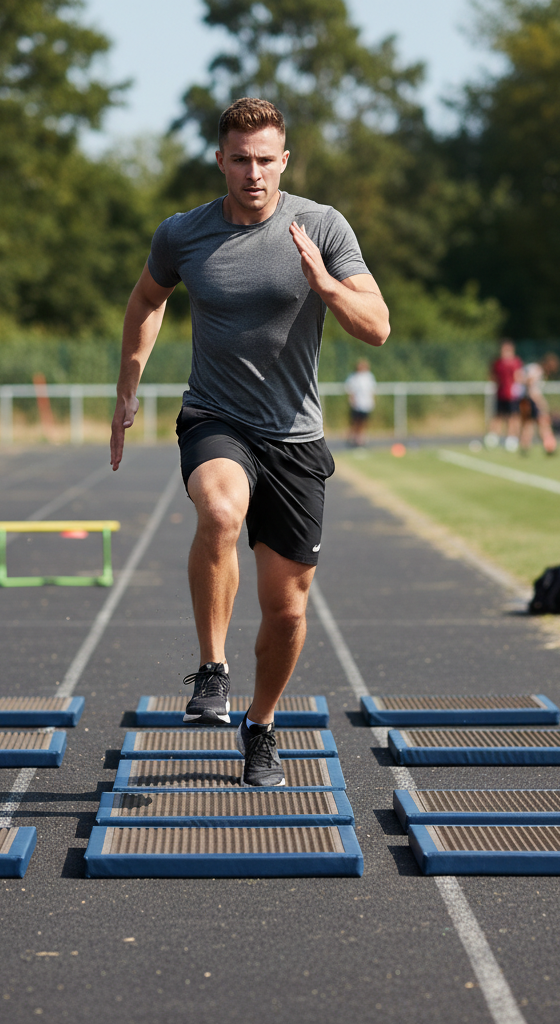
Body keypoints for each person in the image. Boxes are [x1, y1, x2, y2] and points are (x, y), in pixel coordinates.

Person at [110, 97, 389, 786]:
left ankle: (259, 726)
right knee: (220, 512)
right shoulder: (184, 234)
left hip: (295, 436)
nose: (254, 173)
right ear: (221, 160)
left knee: (287, 610)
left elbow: (377, 325)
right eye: (241, 160)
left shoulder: (322, 225)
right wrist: (127, 386)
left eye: (266, 160)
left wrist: (325, 283)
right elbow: (147, 300)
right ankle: (212, 667)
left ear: (284, 160)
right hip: (215, 417)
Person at [518, 352, 560, 455]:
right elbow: (530, 384)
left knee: (529, 424)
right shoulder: (537, 370)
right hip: (529, 400)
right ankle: (549, 447)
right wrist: (540, 402)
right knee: (542, 423)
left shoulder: (533, 368)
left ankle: (525, 448)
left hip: (525, 399)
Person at [485, 337, 523, 452]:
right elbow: (492, 377)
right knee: (498, 416)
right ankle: (493, 437)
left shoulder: (516, 362)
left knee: (513, 417)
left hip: (512, 395)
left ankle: (511, 439)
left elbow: (519, 377)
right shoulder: (497, 363)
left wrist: (518, 388)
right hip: (500, 394)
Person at [344, 358, 376, 447]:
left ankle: (361, 438)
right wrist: (352, 401)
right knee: (355, 422)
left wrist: (372, 401)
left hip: (366, 404)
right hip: (357, 404)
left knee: (364, 422)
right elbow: (350, 390)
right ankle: (353, 438)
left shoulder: (369, 376)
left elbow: (371, 390)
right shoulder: (353, 377)